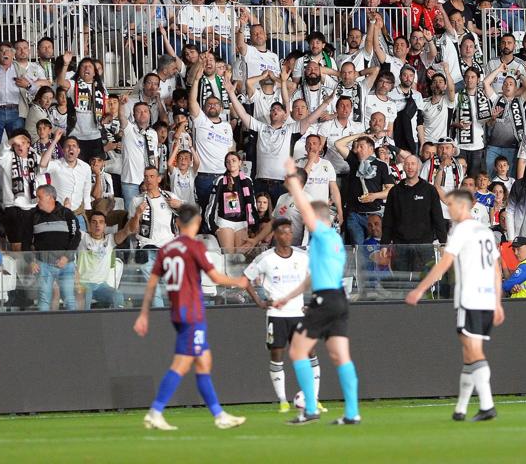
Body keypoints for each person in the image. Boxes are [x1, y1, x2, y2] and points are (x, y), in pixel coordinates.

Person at [133, 203, 248, 431]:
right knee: (182, 364)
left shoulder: (166, 249)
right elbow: (215, 277)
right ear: (195, 223)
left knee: (204, 362)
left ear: (177, 223)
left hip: (178, 312)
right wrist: (239, 281)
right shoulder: (195, 247)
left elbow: (152, 283)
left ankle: (219, 415)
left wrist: (144, 314)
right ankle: (155, 412)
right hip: (192, 313)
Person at [272, 160, 360, 425]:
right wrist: (289, 296)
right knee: (340, 355)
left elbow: (308, 215)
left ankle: (310, 408)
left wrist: (294, 181)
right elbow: (314, 276)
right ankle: (352, 413)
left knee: (298, 352)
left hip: (325, 300)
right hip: (338, 299)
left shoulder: (321, 232)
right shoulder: (334, 240)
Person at [405, 189, 504, 422]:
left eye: (450, 205)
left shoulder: (460, 230)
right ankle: (460, 409)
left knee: (474, 352)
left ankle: (487, 405)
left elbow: (444, 264)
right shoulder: (486, 231)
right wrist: (498, 303)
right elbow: (496, 270)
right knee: (469, 353)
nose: (447, 210)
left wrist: (419, 290)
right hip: (487, 298)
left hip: (469, 298)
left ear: (462, 206)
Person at [243, 217, 319, 414]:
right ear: (275, 235)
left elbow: (315, 278)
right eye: (283, 232)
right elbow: (244, 279)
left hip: (299, 314)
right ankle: (283, 400)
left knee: (310, 354)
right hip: (276, 314)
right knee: (278, 354)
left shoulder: (302, 257)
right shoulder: (266, 258)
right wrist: (259, 302)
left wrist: (313, 302)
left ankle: (314, 398)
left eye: (289, 232)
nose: (287, 236)